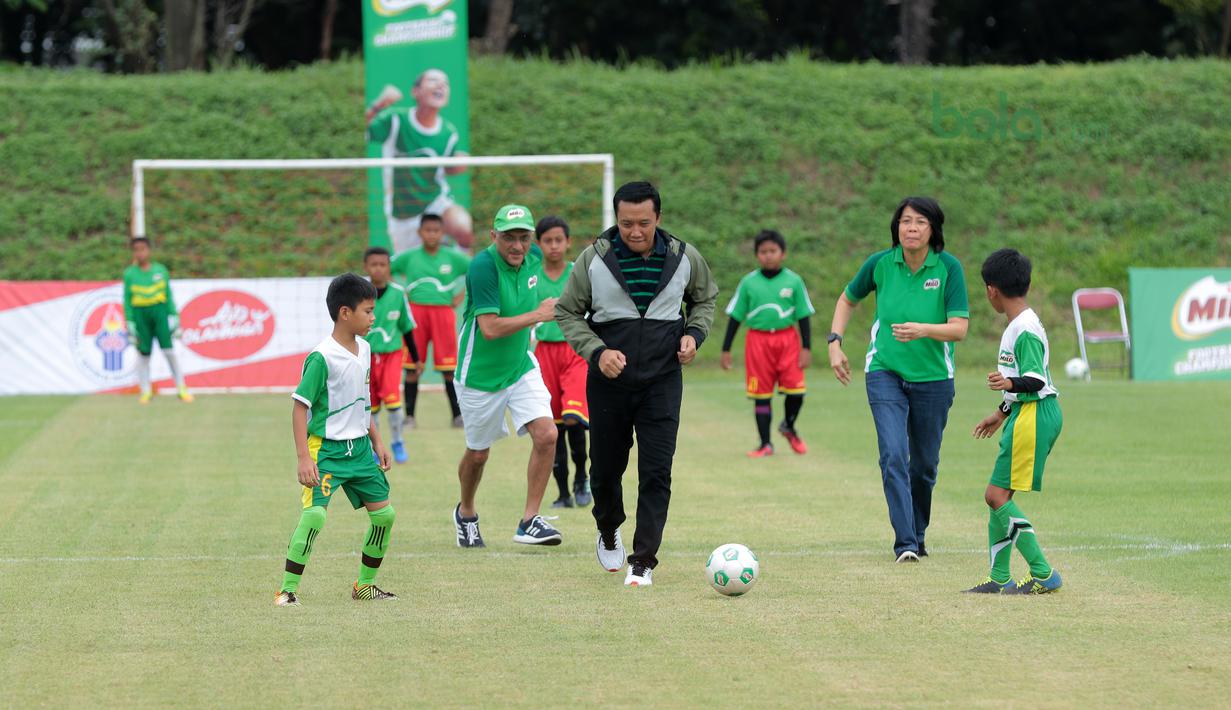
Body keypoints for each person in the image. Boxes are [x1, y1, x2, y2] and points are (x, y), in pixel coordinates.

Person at [556, 181, 718, 587]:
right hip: (609, 382)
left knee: (656, 470)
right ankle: (608, 525)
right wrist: (596, 351)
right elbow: (567, 312)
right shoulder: (593, 259)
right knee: (607, 469)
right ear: (617, 219)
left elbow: (704, 299)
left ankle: (643, 559)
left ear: (658, 218)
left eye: (644, 223)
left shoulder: (684, 257)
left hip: (662, 381)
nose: (635, 232)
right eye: (626, 223)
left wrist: (693, 336)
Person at [827, 196, 968, 563]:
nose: (911, 228)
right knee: (892, 454)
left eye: (920, 222)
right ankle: (905, 542)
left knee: (924, 466)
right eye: (905, 221)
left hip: (934, 378)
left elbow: (960, 329)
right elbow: (847, 299)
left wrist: (924, 329)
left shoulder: (949, 268)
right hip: (884, 373)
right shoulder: (880, 264)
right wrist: (834, 343)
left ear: (933, 229)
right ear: (896, 227)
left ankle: (918, 534)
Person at [275, 273, 397, 606]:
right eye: (368, 311)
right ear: (345, 312)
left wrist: (377, 442)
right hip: (326, 451)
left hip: (359, 450)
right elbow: (300, 407)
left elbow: (364, 400)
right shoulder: (321, 357)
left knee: (384, 516)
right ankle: (287, 590)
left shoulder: (366, 349)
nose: (374, 318)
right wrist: (304, 457)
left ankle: (365, 586)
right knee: (315, 516)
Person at [450, 204, 563, 548]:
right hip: (480, 376)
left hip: (520, 365)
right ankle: (466, 511)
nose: (517, 245)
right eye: (509, 238)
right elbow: (489, 328)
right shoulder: (483, 266)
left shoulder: (533, 259)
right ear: (493, 236)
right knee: (479, 454)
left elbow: (561, 286)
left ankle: (529, 521)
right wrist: (538, 314)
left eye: (524, 237)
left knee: (547, 435)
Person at [965, 248, 1064, 595]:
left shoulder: (1024, 329)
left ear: (992, 290)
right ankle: (1000, 577)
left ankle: (1043, 572)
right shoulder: (1019, 324)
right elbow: (1024, 381)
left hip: (1036, 413)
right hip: (1025, 412)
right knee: (998, 494)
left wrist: (1008, 385)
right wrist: (1000, 412)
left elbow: (1035, 380)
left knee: (995, 495)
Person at [720, 229, 815, 458]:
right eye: (763, 252)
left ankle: (788, 425)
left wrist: (806, 347)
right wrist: (725, 349)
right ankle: (765, 444)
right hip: (757, 341)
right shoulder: (748, 283)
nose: (768, 255)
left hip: (787, 340)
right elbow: (735, 316)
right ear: (756, 255)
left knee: (796, 391)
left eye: (773, 251)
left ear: (783, 253)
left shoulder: (793, 281)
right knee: (761, 394)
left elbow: (803, 315)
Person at [365, 68, 474, 252]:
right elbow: (362, 130)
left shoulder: (449, 133)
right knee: (411, 272)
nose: (441, 85)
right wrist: (380, 104)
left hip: (436, 202)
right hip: (403, 213)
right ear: (415, 91)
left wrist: (457, 165)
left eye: (445, 83)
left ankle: (464, 277)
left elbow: (446, 169)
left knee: (462, 227)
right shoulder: (395, 120)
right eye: (433, 80)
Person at [532, 215, 591, 509]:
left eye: (559, 240)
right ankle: (562, 493)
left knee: (574, 419)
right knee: (552, 428)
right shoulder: (531, 276)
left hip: (575, 352)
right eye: (547, 241)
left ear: (568, 242)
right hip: (544, 355)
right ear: (538, 244)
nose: (554, 246)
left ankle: (582, 478)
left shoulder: (579, 273)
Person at [390, 213, 469, 429]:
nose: (432, 234)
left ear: (442, 233)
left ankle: (457, 416)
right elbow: (387, 268)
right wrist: (399, 292)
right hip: (415, 314)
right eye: (428, 230)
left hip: (443, 313)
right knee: (413, 366)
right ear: (420, 233)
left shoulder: (453, 257)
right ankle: (410, 417)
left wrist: (461, 295)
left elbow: (475, 271)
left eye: (436, 230)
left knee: (448, 367)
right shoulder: (409, 257)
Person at [362, 247, 419, 464]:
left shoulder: (398, 293)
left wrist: (416, 358)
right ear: (366, 267)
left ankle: (397, 441)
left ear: (389, 268)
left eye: (383, 264)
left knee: (392, 398)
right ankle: (373, 448)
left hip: (392, 355)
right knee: (371, 403)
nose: (378, 269)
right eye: (373, 265)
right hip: (366, 358)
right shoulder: (359, 294)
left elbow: (407, 328)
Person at [123, 237, 192, 404]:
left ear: (149, 250)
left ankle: (181, 388)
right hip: (141, 316)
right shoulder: (130, 274)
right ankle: (146, 391)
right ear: (133, 253)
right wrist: (130, 322)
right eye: (136, 250)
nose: (140, 253)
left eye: (143, 249)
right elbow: (127, 300)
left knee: (169, 351)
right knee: (143, 355)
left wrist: (174, 316)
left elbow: (168, 296)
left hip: (159, 313)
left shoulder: (160, 271)